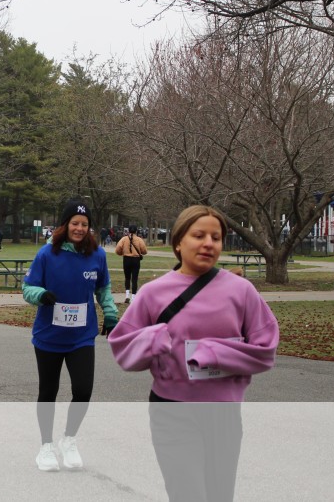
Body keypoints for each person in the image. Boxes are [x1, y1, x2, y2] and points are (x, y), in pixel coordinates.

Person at [108, 205, 279, 501]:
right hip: (172, 411)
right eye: (199, 236)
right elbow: (122, 348)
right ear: (178, 242)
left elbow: (266, 350)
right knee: (187, 493)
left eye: (216, 237)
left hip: (223, 414)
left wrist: (214, 353)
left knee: (219, 495)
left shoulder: (241, 291)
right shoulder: (153, 293)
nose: (208, 243)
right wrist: (153, 340)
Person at [22, 198, 117, 472]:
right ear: (65, 225)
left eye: (85, 224)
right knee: (48, 391)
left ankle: (69, 439)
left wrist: (110, 313)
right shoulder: (46, 254)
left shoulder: (97, 255)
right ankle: (46, 446)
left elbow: (103, 289)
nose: (79, 228)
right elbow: (28, 288)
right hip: (49, 336)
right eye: (75, 223)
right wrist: (41, 295)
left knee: (83, 390)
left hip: (81, 337)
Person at [115, 225, 148, 304]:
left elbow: (117, 249)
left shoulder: (124, 239)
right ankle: (133, 297)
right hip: (136, 260)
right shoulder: (139, 240)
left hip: (126, 259)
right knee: (134, 279)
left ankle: (127, 296)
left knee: (127, 278)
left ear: (128, 231)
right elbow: (144, 251)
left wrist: (122, 253)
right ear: (136, 231)